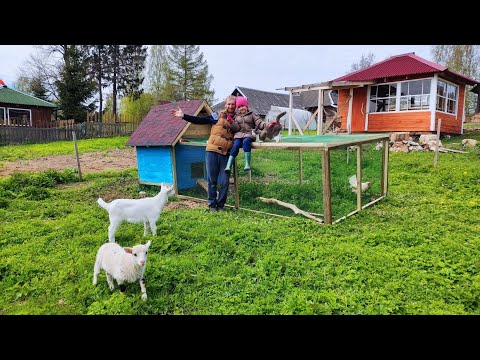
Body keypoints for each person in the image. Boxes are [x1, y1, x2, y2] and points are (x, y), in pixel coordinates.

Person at [170, 95, 237, 212]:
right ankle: (212, 205)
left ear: (235, 105)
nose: (231, 106)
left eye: (233, 104)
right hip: (212, 151)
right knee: (212, 180)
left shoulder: (237, 119)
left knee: (225, 182)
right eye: (229, 104)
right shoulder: (218, 115)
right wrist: (184, 116)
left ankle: (220, 206)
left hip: (226, 154)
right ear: (225, 104)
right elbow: (202, 120)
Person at [225, 96, 268, 173]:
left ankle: (247, 164)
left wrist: (265, 125)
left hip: (249, 134)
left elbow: (259, 122)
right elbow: (236, 128)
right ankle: (229, 165)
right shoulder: (236, 116)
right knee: (235, 145)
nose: (242, 108)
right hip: (238, 134)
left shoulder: (252, 114)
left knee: (246, 142)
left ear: (246, 106)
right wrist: (231, 122)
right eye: (240, 106)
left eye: (243, 106)